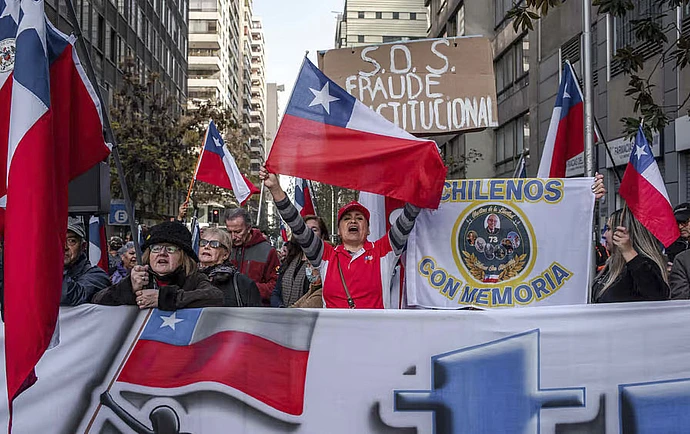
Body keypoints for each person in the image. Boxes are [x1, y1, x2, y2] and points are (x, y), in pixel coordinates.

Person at [260, 167, 419, 309]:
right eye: (347, 218)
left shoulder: (384, 251)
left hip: (373, 338)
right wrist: (275, 189)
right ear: (339, 230)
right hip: (332, 338)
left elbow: (408, 218)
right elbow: (297, 225)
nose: (353, 221)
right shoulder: (326, 256)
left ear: (368, 230)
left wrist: (424, 178)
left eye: (359, 218)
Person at [91, 221, 224, 310]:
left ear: (183, 256)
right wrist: (129, 287)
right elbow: (97, 301)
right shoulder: (140, 277)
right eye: (156, 248)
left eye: (170, 249)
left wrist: (164, 298)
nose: (162, 253)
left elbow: (215, 298)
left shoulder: (194, 278)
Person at [591, 208, 670, 303]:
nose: (604, 235)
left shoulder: (645, 266)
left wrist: (628, 252)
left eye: (609, 229)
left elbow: (657, 295)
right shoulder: (611, 265)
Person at [224, 208, 280, 305]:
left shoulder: (268, 251)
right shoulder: (224, 248)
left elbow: (276, 286)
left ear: (249, 228)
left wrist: (248, 288)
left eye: (237, 232)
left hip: (256, 309)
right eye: (229, 232)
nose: (233, 237)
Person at [271, 215, 329, 308]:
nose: (309, 233)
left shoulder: (325, 263)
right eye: (305, 230)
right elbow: (276, 291)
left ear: (322, 235)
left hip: (308, 316)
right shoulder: (290, 259)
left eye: (314, 230)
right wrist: (280, 308)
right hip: (282, 316)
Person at [198, 227, 262, 307]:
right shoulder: (189, 278)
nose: (206, 247)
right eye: (203, 243)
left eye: (214, 244)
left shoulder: (242, 283)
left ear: (225, 254)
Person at [63, 217, 111, 306]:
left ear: (83, 246)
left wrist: (51, 264)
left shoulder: (97, 276)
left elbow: (70, 296)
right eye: (57, 240)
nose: (64, 247)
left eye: (71, 241)